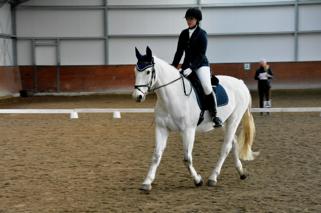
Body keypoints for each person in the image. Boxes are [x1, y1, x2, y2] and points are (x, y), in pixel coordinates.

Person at [171, 7, 223, 128]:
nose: (189, 21)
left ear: (197, 20)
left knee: (205, 86)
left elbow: (201, 54)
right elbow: (179, 52)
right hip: (186, 65)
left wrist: (192, 68)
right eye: (187, 19)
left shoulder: (202, 34)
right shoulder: (183, 34)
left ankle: (214, 115)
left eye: (191, 19)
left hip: (200, 65)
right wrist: (173, 67)